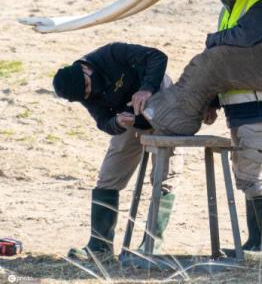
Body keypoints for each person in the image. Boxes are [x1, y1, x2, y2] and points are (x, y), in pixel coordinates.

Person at [52, 42, 182, 262]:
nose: (89, 92)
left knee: (165, 177)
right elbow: (103, 121)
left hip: (164, 104)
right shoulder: (83, 92)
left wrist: (146, 89)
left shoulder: (111, 53)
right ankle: (99, 246)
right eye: (84, 94)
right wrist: (117, 122)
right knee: (108, 176)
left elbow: (157, 57)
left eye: (87, 86)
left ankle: (151, 245)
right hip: (130, 120)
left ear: (86, 69)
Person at [204, 0, 262, 251]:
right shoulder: (230, 8)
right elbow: (223, 61)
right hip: (240, 105)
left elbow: (242, 39)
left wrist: (212, 40)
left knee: (254, 173)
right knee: (246, 174)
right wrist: (213, 101)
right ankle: (257, 243)